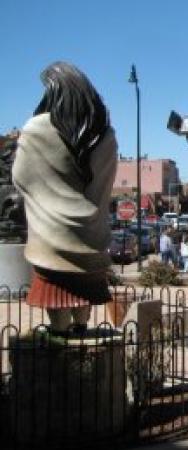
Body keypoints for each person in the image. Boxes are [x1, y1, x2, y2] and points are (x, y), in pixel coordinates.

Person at [13, 62, 118, 335]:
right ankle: (82, 326)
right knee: (86, 286)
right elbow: (104, 185)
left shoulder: (37, 128)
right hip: (91, 235)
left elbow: (21, 176)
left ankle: (58, 332)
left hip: (51, 237)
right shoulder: (104, 134)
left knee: (55, 287)